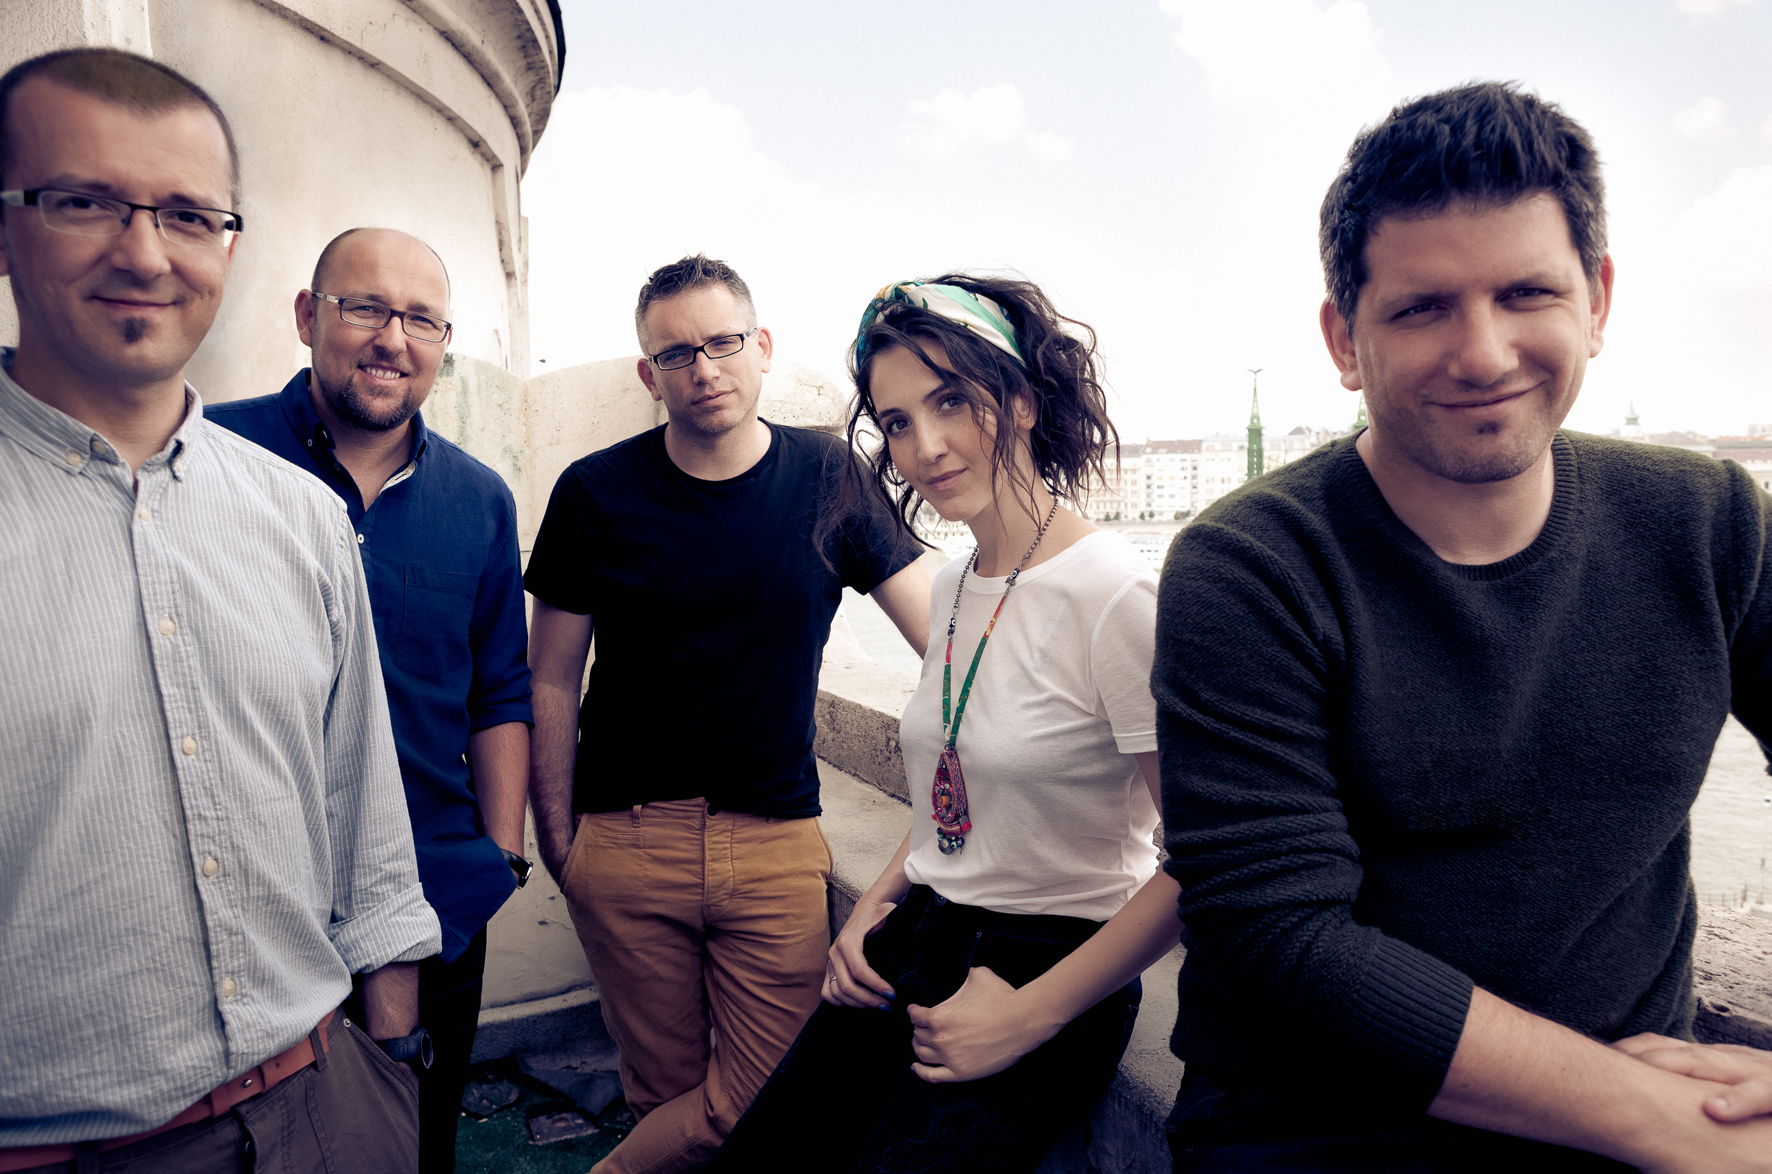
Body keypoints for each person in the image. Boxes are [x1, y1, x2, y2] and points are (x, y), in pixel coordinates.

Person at [1156, 81, 1772, 1171]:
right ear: (1344, 339)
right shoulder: (1248, 566)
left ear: (1597, 299)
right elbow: (1280, 938)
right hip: (1320, 1131)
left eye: (1526, 292)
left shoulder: (1709, 521)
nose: (1482, 353)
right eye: (1421, 308)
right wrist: (1653, 1116)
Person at [0, 48, 440, 1174]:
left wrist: (393, 1063)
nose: (144, 252)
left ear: (228, 249)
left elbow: (364, 817)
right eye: (84, 200)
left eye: (189, 215)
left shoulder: (303, 517)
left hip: (325, 1108)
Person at [711, 276, 1184, 1173]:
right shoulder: (954, 583)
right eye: (896, 421)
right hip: (923, 929)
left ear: (1021, 400)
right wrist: (875, 906)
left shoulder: (1113, 593)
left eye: (951, 401)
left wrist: (1031, 1014)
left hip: (1050, 958)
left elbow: (1201, 853)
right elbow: (950, 791)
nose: (924, 446)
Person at [524, 254, 932, 1174]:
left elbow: (943, 642)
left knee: (767, 1099)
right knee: (662, 1095)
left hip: (774, 841)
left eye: (722, 342)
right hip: (625, 841)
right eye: (676, 353)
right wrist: (560, 841)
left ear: (762, 347)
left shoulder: (829, 475)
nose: (703, 368)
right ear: (650, 373)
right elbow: (549, 677)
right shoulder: (594, 491)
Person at [207, 227, 534, 1173]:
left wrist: (500, 855)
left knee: (417, 1148)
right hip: (256, 909)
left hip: (436, 901)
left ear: (443, 343)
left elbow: (501, 689)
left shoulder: (479, 499)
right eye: (366, 308)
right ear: (307, 316)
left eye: (421, 319)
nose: (394, 338)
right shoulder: (211, 456)